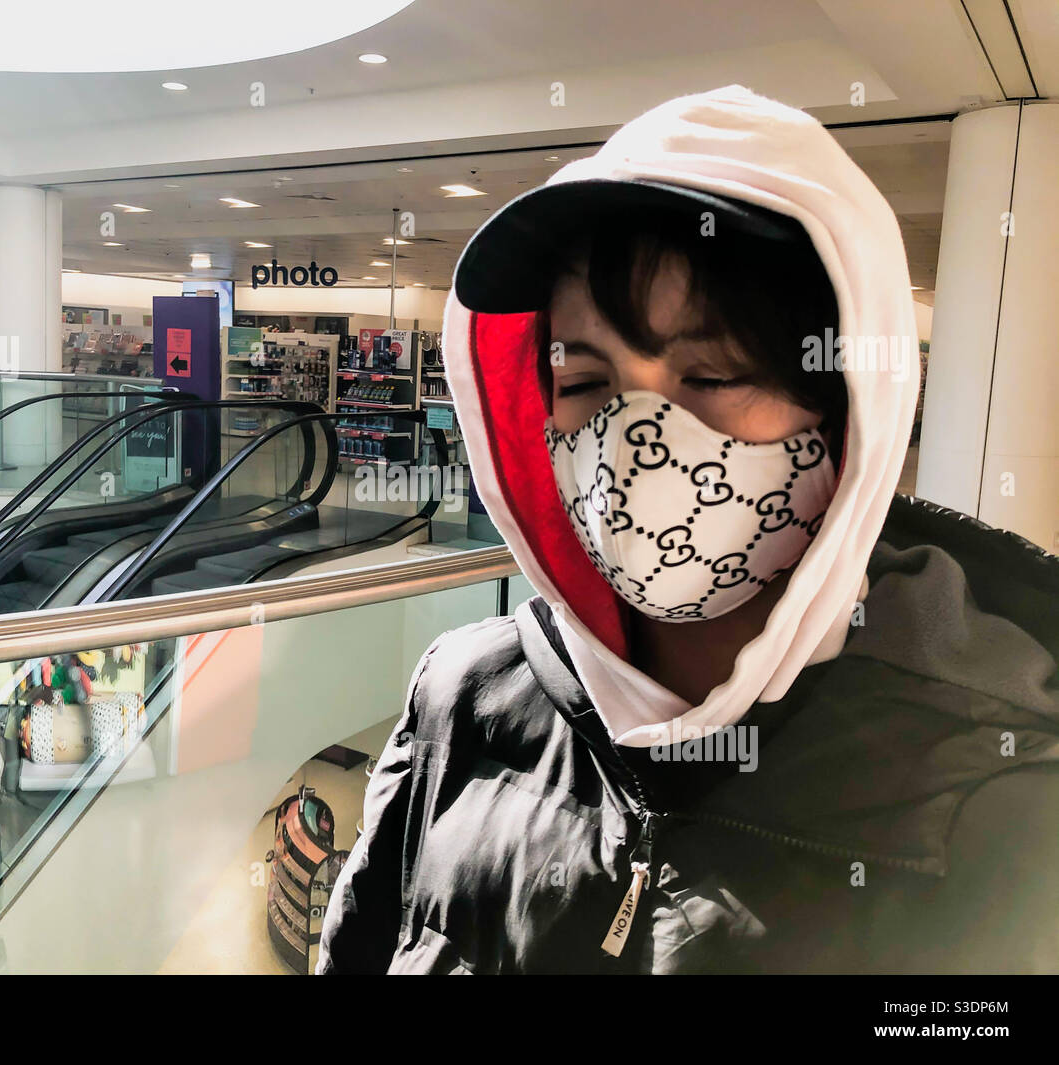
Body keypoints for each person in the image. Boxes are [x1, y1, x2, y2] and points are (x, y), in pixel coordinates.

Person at [316, 85, 1059, 974]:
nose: (637, 444)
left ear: (848, 413)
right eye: (586, 383)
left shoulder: (1000, 818)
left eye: (712, 375)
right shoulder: (463, 701)